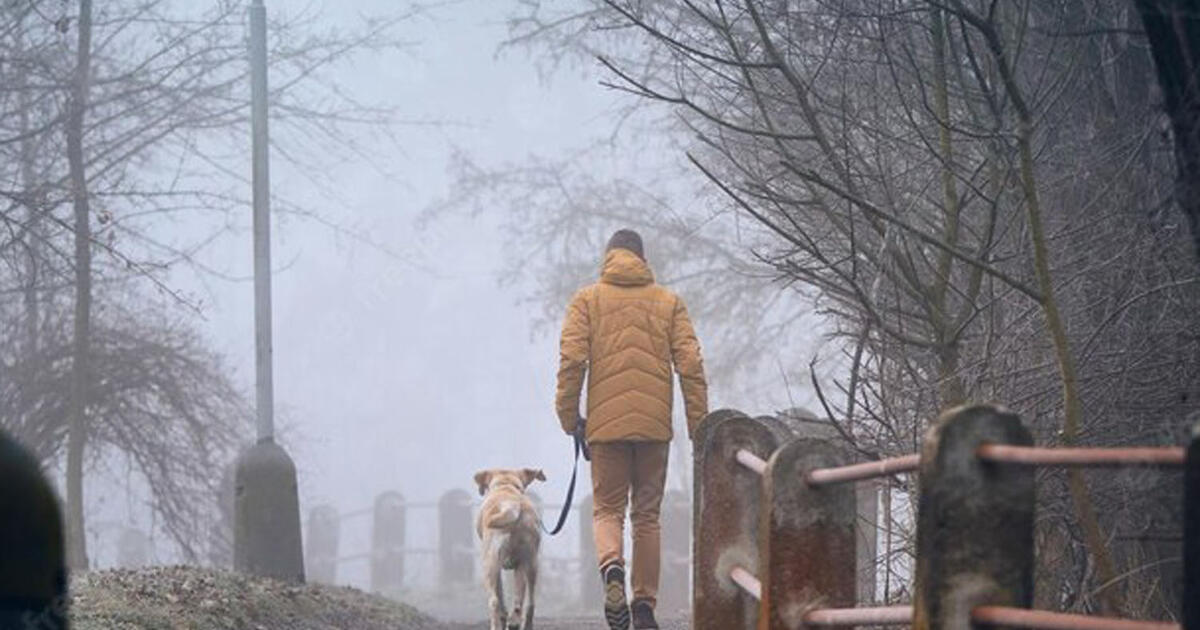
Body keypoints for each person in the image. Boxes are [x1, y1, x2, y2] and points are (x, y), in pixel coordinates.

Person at [556, 229, 708, 630]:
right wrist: (699, 428)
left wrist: (569, 418)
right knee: (647, 516)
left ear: (608, 257)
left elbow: (572, 361)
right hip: (653, 430)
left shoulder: (586, 300)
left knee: (608, 510)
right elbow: (691, 365)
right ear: (643, 259)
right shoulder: (669, 303)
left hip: (605, 430)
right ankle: (643, 605)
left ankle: (612, 568)